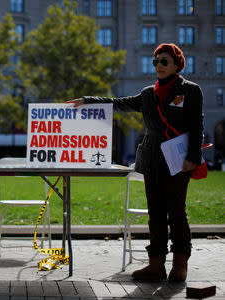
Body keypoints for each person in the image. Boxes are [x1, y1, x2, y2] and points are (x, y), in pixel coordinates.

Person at [66, 43, 204, 282]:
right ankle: (156, 265)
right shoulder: (147, 93)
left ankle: (180, 262)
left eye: (164, 61)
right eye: (156, 61)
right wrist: (88, 100)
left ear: (176, 64)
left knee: (177, 212)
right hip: (152, 160)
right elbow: (120, 102)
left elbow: (196, 127)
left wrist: (192, 158)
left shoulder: (191, 90)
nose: (159, 65)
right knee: (156, 214)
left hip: (178, 161)